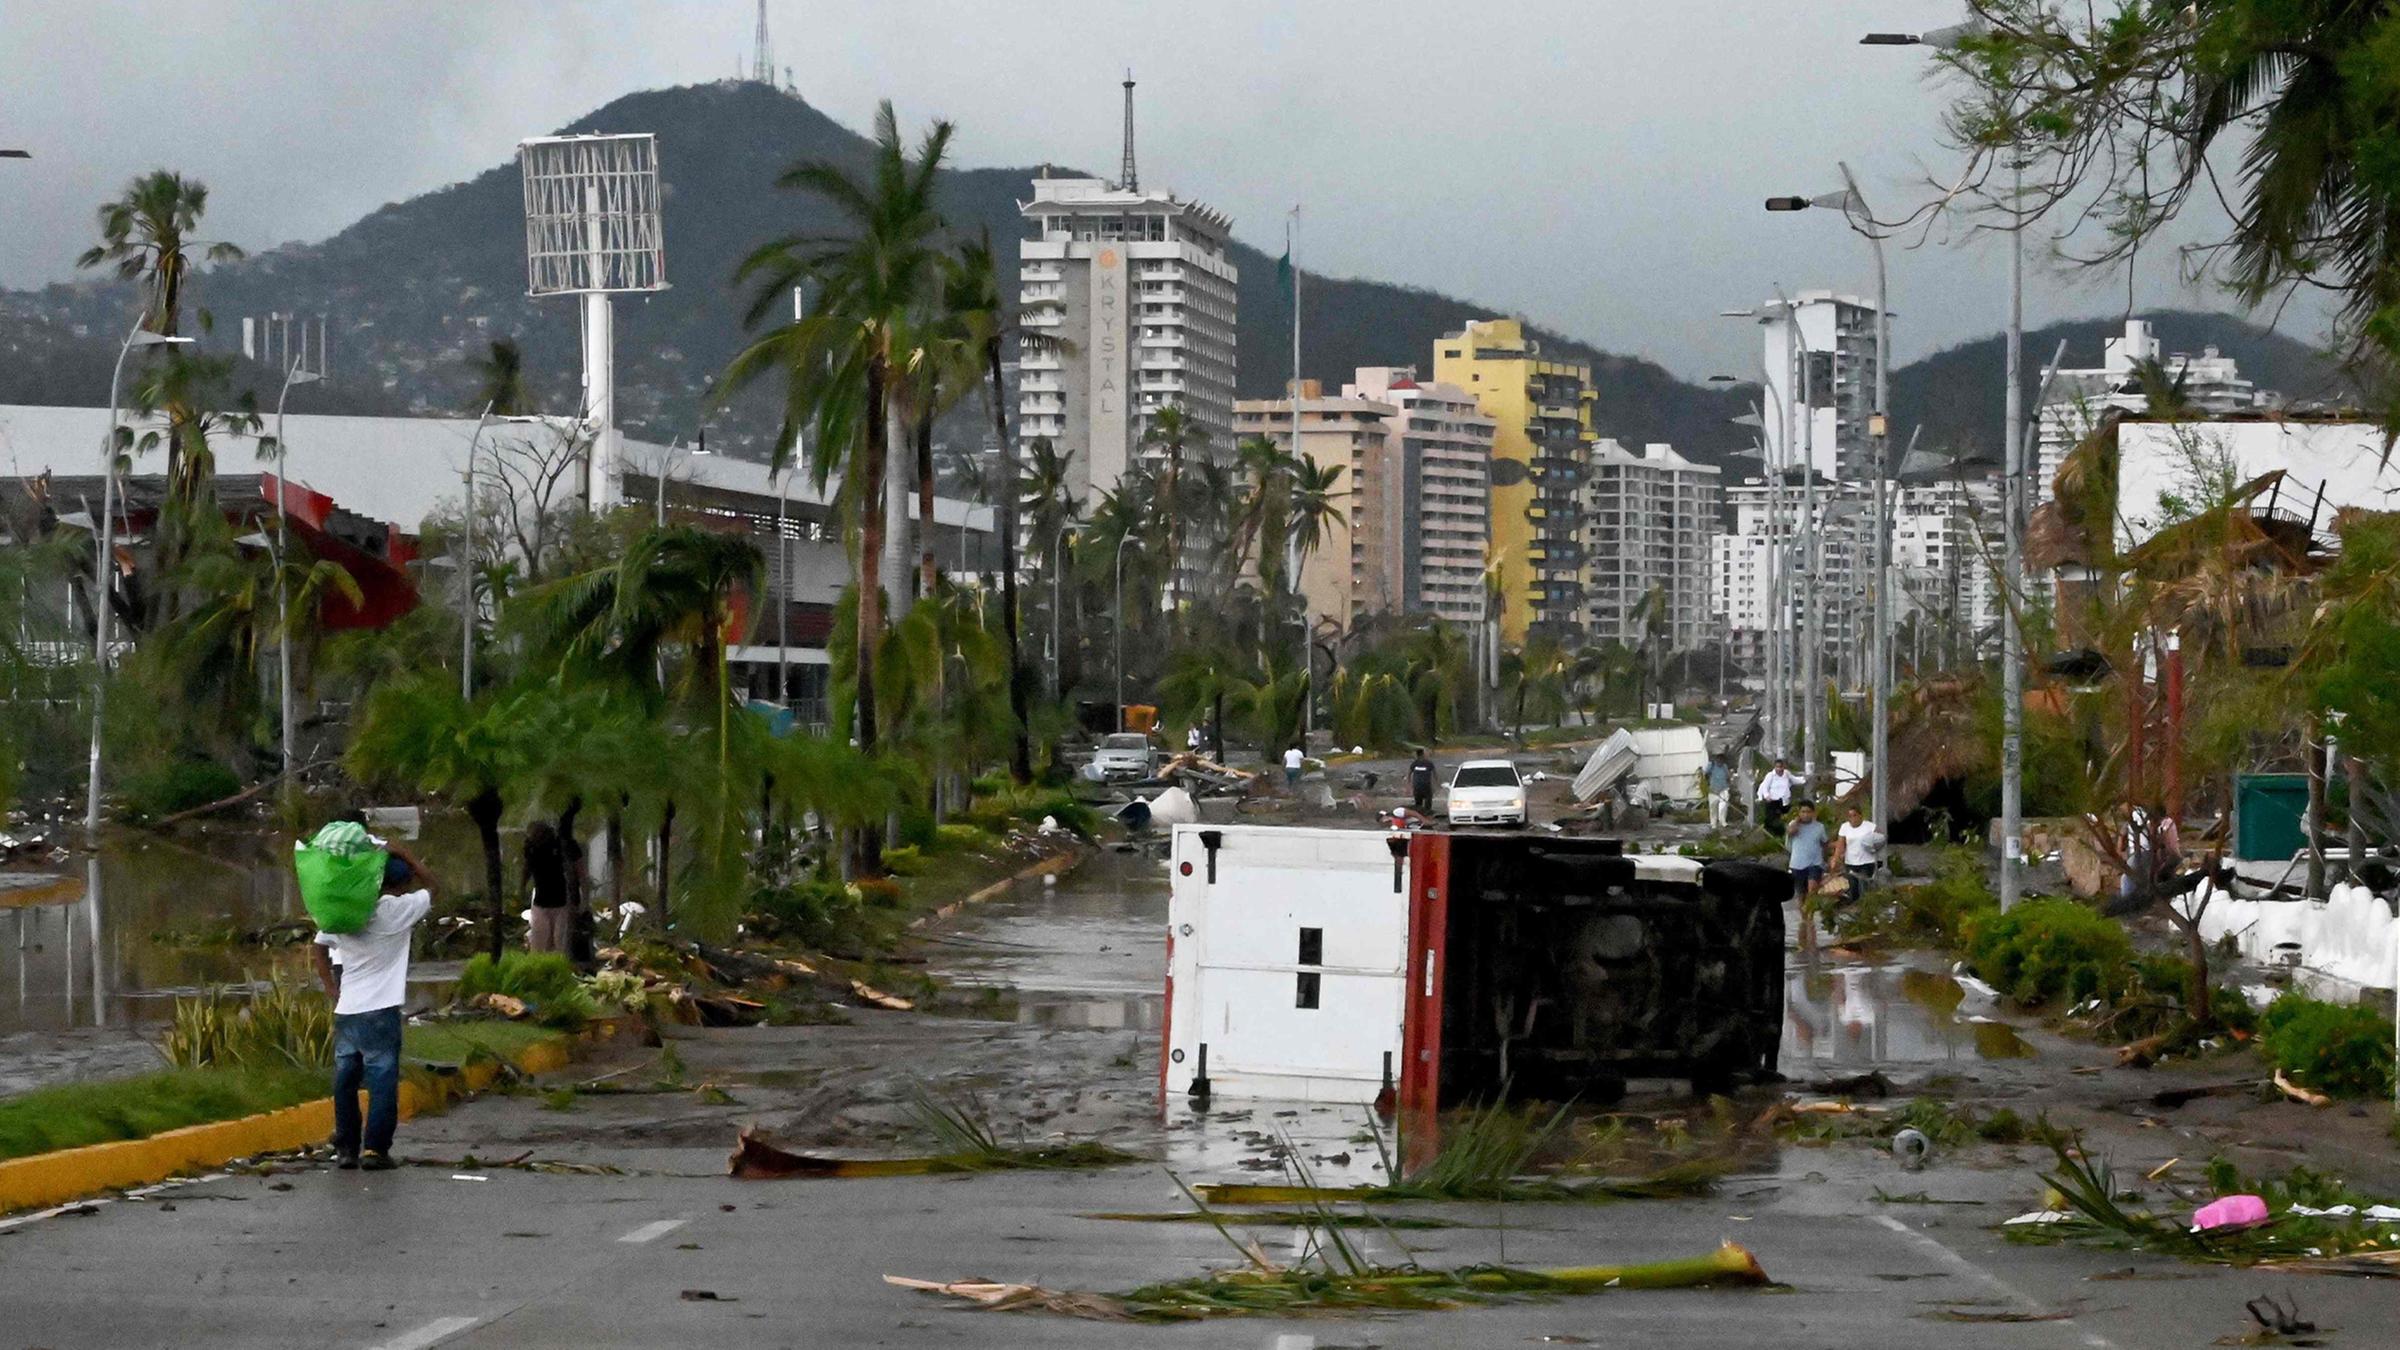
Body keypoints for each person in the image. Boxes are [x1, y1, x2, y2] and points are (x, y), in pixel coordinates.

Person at [312, 845, 435, 1171]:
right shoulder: (398, 910)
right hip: (381, 1009)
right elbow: (433, 886)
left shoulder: (349, 909)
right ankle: (375, 1150)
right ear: (398, 885)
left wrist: (331, 989)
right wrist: (406, 853)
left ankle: (347, 1149)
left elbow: (319, 947)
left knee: (346, 1081)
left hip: (348, 1009)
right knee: (381, 1079)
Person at [523, 820, 571, 954]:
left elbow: (569, 869)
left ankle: (559, 965)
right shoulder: (531, 848)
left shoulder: (557, 846)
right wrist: (522, 887)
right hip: (540, 901)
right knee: (539, 938)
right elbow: (527, 868)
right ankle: (538, 966)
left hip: (559, 901)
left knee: (559, 939)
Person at [1785, 801, 1827, 903]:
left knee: (1812, 889)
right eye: (1803, 812)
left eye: (1808, 812)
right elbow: (1790, 832)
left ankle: (1810, 916)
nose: (1806, 814)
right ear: (1799, 813)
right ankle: (1805, 918)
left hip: (1815, 864)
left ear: (1813, 813)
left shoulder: (1819, 827)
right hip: (1797, 864)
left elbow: (1825, 842)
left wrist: (1826, 859)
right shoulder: (1794, 825)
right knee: (1801, 894)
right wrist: (1796, 821)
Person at [1836, 805, 1885, 882]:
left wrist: (1874, 848)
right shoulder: (1844, 827)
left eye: (1854, 815)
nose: (1852, 818)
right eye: (1850, 816)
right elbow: (1840, 844)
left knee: (1864, 886)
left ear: (1860, 815)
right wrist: (1836, 857)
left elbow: (1881, 839)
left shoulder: (1870, 826)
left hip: (1866, 862)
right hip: (1850, 862)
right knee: (1853, 888)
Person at [1759, 758, 1796, 832]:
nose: (1779, 769)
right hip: (1773, 800)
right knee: (1772, 818)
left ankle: (1782, 832)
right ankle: (1770, 832)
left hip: (1784, 801)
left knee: (1784, 817)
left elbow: (1794, 779)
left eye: (1780, 767)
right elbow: (1765, 786)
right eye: (1777, 767)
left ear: (1783, 767)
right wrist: (1766, 796)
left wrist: (1804, 779)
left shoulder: (1786, 774)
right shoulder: (1770, 775)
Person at [1704, 758, 1731, 830]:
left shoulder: (1725, 766)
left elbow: (1728, 776)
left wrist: (1728, 786)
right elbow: (1706, 775)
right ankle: (1713, 824)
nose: (1720, 762)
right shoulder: (1711, 765)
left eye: (1722, 759)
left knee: (1723, 806)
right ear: (1716, 759)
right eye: (1719, 759)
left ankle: (1723, 822)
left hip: (1723, 789)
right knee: (1713, 807)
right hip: (1713, 790)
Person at [1409, 748, 1437, 815]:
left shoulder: (1414, 763)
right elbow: (1435, 774)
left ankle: (1419, 814)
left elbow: (1409, 774)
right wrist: (1436, 784)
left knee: (1418, 802)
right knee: (1428, 800)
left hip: (1417, 786)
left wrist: (1409, 784)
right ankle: (1427, 814)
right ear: (1423, 754)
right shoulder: (1428, 763)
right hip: (1426, 786)